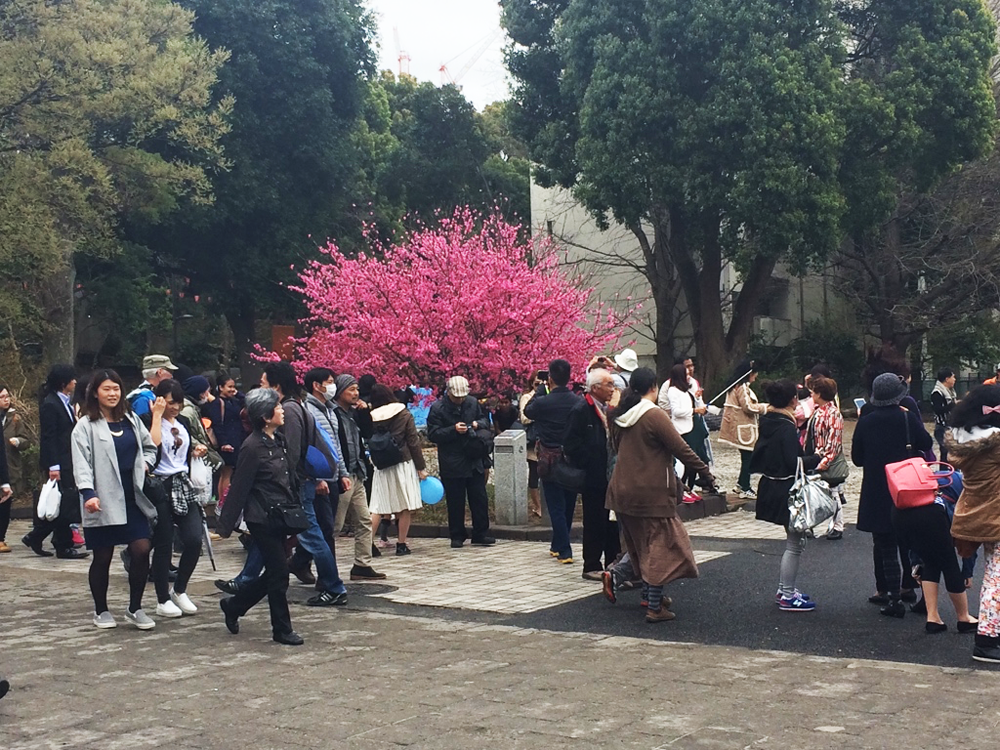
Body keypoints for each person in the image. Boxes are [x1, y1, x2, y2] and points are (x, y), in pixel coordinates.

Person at [606, 367, 715, 623]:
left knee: (640, 545)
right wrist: (705, 472)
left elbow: (616, 449)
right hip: (651, 492)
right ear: (653, 387)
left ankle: (640, 590)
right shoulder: (653, 415)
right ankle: (654, 607)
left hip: (621, 490)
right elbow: (681, 448)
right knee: (663, 547)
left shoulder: (620, 416)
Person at [72, 370, 159, 630]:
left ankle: (135, 607)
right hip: (101, 498)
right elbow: (81, 463)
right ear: (95, 392)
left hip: (132, 496)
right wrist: (88, 492)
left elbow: (150, 447)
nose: (112, 394)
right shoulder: (85, 425)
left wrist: (145, 463)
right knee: (102, 555)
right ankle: (101, 609)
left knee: (141, 549)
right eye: (107, 389)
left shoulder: (131, 418)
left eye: (116, 389)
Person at [216, 388, 304, 646]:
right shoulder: (252, 447)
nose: (282, 411)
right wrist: (226, 524)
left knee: (277, 572)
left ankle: (234, 605)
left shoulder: (278, 440)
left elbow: (288, 478)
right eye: (277, 408)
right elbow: (240, 486)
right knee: (279, 573)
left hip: (281, 515)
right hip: (261, 518)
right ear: (265, 416)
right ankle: (281, 629)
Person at [261, 361, 345, 607]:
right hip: (300, 481)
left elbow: (292, 452)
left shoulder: (290, 410)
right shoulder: (297, 405)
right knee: (274, 533)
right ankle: (245, 580)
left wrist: (288, 479)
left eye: (265, 383)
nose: (261, 387)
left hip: (298, 483)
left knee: (313, 537)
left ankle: (334, 586)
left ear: (276, 385)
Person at [852, 373, 933, 618]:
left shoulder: (866, 421)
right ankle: (916, 591)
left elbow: (856, 458)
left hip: (877, 488)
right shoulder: (907, 419)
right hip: (907, 487)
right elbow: (926, 442)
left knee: (885, 545)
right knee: (911, 543)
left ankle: (893, 598)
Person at [751, 380, 822, 611]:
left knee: (794, 541)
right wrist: (816, 458)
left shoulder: (768, 421)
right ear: (793, 400)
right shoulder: (786, 427)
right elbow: (794, 462)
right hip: (787, 489)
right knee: (794, 544)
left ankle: (785, 588)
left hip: (770, 485)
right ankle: (787, 594)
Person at [142, 379, 209, 618]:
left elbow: (181, 449)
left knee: (193, 539)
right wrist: (157, 416)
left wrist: (196, 450)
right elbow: (153, 445)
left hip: (182, 482)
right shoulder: (147, 421)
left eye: (178, 403)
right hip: (160, 484)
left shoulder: (182, 422)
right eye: (170, 402)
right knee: (164, 543)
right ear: (159, 400)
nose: (175, 407)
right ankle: (161, 598)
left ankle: (179, 589)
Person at [945, 386, 1000, 660]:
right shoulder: (996, 443)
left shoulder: (962, 441)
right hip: (996, 513)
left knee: (992, 573)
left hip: (975, 510)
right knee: (996, 578)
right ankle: (987, 639)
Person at [22, 364, 88, 559]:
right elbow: (49, 437)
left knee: (65, 503)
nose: (75, 382)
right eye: (72, 379)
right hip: (59, 461)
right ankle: (53, 541)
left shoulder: (65, 402)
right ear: (63, 382)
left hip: (68, 459)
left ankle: (48, 539)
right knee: (65, 503)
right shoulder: (50, 404)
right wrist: (53, 466)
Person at [426, 376, 495, 549]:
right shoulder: (438, 408)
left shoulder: (472, 403)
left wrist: (477, 424)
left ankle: (481, 533)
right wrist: (453, 430)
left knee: (479, 498)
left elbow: (486, 421)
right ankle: (456, 535)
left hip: (473, 457)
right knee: (455, 500)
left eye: (463, 396)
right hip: (452, 460)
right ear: (448, 392)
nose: (460, 399)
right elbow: (433, 434)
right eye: (457, 396)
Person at [524, 359, 582, 563]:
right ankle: (558, 545)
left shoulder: (542, 402)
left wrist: (540, 391)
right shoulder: (577, 401)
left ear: (550, 378)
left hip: (548, 459)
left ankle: (565, 550)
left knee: (555, 505)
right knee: (567, 505)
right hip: (572, 459)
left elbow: (527, 411)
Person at [564, 368, 619, 580]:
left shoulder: (608, 409)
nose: (612, 389)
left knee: (611, 521)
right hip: (593, 476)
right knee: (595, 520)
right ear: (595, 388)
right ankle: (591, 564)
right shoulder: (581, 409)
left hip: (609, 474)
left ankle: (612, 561)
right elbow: (570, 445)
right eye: (608, 384)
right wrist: (592, 459)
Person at [332, 373, 384, 579]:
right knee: (335, 523)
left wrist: (364, 414)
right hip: (341, 475)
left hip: (357, 471)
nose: (356, 394)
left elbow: (368, 433)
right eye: (350, 390)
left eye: (356, 389)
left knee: (364, 520)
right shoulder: (332, 414)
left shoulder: (355, 413)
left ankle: (362, 564)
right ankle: (305, 559)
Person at [368, 385, 427, 555]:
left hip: (381, 464)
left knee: (378, 506)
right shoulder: (403, 413)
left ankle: (368, 544)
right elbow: (413, 442)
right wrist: (420, 467)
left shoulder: (371, 416)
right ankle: (401, 544)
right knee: (405, 505)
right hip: (403, 462)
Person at [804, 377, 848, 541]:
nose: (812, 395)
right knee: (816, 492)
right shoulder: (821, 411)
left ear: (820, 393)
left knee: (833, 491)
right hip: (816, 457)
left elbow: (834, 442)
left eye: (814, 391)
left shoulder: (832, 413)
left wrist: (823, 462)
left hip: (825, 459)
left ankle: (837, 525)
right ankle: (811, 525)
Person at [719, 360, 766, 500]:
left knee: (746, 457)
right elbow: (747, 407)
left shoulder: (734, 386)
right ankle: (745, 487)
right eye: (755, 374)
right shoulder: (742, 387)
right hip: (743, 428)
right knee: (748, 458)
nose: (756, 376)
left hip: (739, 427)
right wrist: (764, 407)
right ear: (750, 374)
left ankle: (741, 483)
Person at [658, 363, 710, 488]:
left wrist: (697, 399)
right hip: (683, 430)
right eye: (685, 374)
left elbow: (695, 405)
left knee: (696, 459)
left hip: (693, 427)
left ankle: (691, 487)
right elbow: (676, 412)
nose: (688, 377)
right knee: (688, 461)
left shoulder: (686, 390)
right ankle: (683, 487)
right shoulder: (673, 390)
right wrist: (694, 411)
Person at [202, 372, 247, 503]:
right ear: (221, 387)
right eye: (229, 386)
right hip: (227, 441)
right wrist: (223, 442)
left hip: (236, 439)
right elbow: (217, 424)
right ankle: (223, 502)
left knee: (231, 471)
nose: (232, 389)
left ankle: (227, 500)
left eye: (234, 386)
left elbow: (245, 401)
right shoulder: (218, 403)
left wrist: (236, 393)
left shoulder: (234, 401)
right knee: (226, 472)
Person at [0, 385, 31, 553]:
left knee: (5, 504)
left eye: (7, 396)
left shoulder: (14, 418)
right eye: (2, 397)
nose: (6, 400)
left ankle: (1, 537)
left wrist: (17, 441)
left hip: (9, 466)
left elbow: (26, 439)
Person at [518, 372, 543, 518]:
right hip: (533, 442)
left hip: (547, 439)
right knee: (534, 473)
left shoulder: (549, 396)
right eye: (536, 384)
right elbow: (524, 418)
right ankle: (537, 506)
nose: (539, 387)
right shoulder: (527, 398)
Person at [931, 368, 958, 462]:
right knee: (945, 452)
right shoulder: (937, 393)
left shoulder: (949, 391)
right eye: (953, 377)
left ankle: (950, 472)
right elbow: (938, 410)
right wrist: (953, 405)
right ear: (947, 379)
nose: (955, 379)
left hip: (949, 425)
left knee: (951, 452)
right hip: (942, 426)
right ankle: (945, 472)